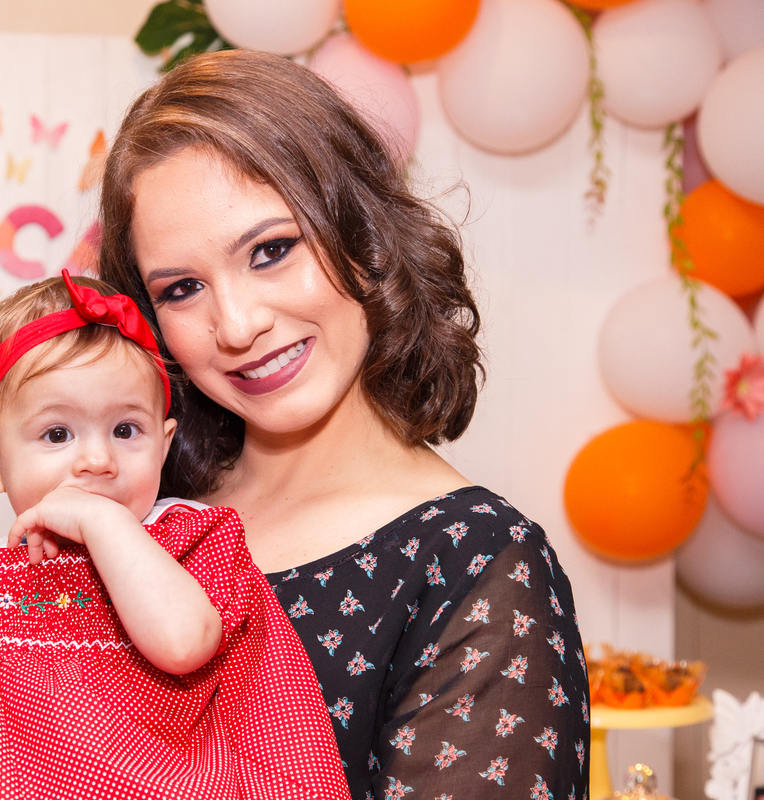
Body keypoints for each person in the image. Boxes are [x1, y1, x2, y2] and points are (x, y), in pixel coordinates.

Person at [97, 50, 590, 800]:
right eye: (183, 288)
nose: (237, 325)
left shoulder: (475, 562)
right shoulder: (142, 517)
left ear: (364, 238)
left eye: (271, 251)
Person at [0, 272, 349, 800]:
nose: (97, 459)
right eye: (57, 434)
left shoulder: (181, 538)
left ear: (164, 443)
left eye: (126, 429)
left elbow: (182, 644)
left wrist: (103, 524)